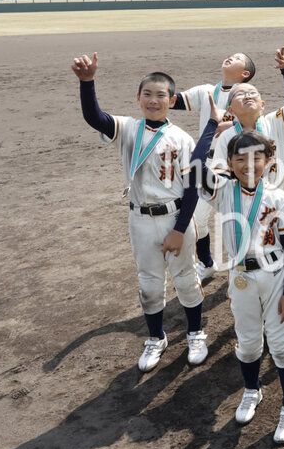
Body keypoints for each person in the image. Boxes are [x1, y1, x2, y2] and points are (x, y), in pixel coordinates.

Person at [72, 53, 207, 373]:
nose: (153, 100)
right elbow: (96, 118)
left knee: (187, 279)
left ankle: (195, 333)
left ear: (171, 100)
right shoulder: (129, 128)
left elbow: (192, 189)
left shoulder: (182, 138)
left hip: (176, 218)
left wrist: (179, 229)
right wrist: (87, 83)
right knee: (149, 283)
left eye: (161, 95)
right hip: (140, 219)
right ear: (138, 98)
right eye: (147, 94)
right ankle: (156, 338)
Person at [189, 97, 284, 444]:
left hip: (274, 276)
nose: (248, 164)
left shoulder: (279, 198)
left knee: (281, 345)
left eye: (256, 157)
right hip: (240, 277)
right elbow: (195, 165)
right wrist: (212, 127)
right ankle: (252, 390)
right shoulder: (223, 192)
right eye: (240, 158)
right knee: (249, 343)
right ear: (230, 163)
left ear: (269, 161)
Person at [172, 48, 257, 280]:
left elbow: (257, 121)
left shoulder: (247, 95)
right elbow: (173, 101)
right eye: (231, 55)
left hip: (236, 167)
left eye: (238, 58)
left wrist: (230, 125)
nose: (231, 57)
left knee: (244, 218)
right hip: (208, 165)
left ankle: (249, 263)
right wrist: (156, 94)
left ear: (245, 74)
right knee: (197, 220)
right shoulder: (206, 91)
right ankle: (207, 262)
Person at [209, 46, 284, 187]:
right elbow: (220, 176)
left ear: (262, 105)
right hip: (238, 198)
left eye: (253, 93)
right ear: (231, 110)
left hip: (272, 197)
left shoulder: (274, 123)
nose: (248, 96)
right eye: (240, 94)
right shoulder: (227, 136)